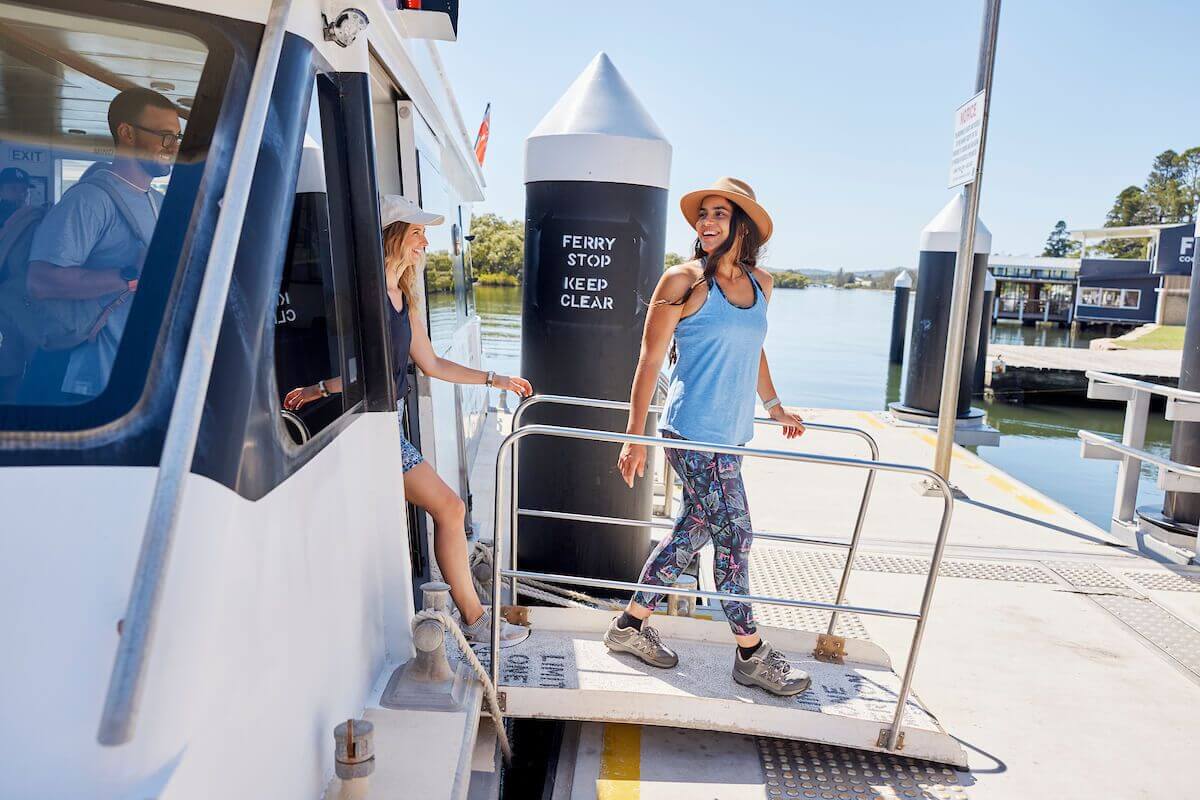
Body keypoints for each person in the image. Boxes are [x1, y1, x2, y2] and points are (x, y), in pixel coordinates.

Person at [285, 195, 533, 648]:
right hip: (369, 426)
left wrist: (494, 378)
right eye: (417, 232)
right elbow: (364, 371)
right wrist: (319, 389)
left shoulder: (404, 296)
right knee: (451, 508)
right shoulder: (365, 295)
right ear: (392, 235)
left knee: (446, 510)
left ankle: (470, 617)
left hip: (391, 423)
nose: (425, 242)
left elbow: (432, 364)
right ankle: (475, 620)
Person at [605, 177, 812, 696]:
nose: (708, 222)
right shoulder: (683, 281)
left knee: (691, 532)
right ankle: (750, 653)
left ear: (742, 225)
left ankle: (629, 626)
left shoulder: (762, 283)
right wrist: (634, 437)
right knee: (735, 536)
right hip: (692, 432)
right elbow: (649, 361)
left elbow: (753, 348)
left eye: (720, 213)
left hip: (732, 436)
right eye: (704, 214)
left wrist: (774, 405)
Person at [25, 87, 180, 399]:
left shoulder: (158, 201)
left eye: (177, 137)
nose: (174, 146)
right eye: (165, 136)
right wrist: (130, 276)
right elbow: (39, 282)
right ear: (127, 133)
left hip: (132, 377)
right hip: (85, 379)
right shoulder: (89, 200)